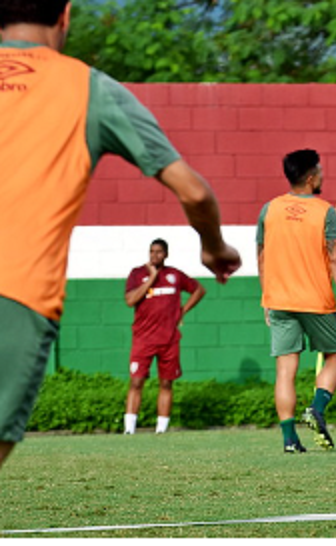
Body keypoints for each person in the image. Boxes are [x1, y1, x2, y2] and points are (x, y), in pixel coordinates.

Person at [0, 0, 241, 470]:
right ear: (65, 15)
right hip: (15, 292)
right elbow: (193, 191)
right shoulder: (86, 87)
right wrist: (214, 247)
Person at [257, 149, 336, 454]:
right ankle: (317, 407)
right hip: (315, 300)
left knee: (285, 370)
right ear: (311, 177)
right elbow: (335, 256)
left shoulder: (269, 209)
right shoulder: (325, 211)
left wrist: (266, 298)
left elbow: (261, 256)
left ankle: (290, 440)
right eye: (321, 171)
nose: (323, 175)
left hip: (278, 300)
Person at [123, 239, 206, 435]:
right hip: (143, 339)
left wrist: (183, 311)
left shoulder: (174, 275)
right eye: (152, 251)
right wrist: (151, 278)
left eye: (159, 252)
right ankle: (129, 429)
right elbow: (130, 300)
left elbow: (199, 290)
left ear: (166, 254)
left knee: (166, 383)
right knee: (136, 381)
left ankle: (161, 430)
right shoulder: (137, 274)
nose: (155, 255)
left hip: (169, 339)